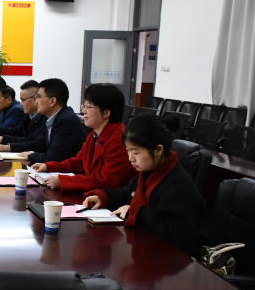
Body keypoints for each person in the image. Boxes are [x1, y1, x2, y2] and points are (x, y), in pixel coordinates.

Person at [82, 113, 204, 256]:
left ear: (158, 150)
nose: (130, 158)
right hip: (146, 249)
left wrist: (136, 213)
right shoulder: (150, 171)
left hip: (169, 260)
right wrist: (103, 196)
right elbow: (128, 193)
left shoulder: (178, 186)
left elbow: (176, 235)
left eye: (136, 153)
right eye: (128, 151)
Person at [30, 83, 136, 191]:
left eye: (88, 107)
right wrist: (48, 166)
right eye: (83, 106)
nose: (83, 111)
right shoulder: (94, 134)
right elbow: (79, 162)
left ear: (106, 113)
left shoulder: (119, 139)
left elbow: (106, 182)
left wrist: (63, 181)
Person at [24, 78, 85, 164]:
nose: (36, 102)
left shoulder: (66, 121)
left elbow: (53, 158)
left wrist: (31, 155)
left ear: (52, 101)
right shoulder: (51, 117)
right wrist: (9, 147)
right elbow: (40, 144)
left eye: (38, 97)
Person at [0, 80, 46, 154]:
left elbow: (34, 142)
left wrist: (5, 144)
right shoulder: (28, 115)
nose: (21, 104)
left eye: (23, 100)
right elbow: (19, 131)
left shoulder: (19, 110)